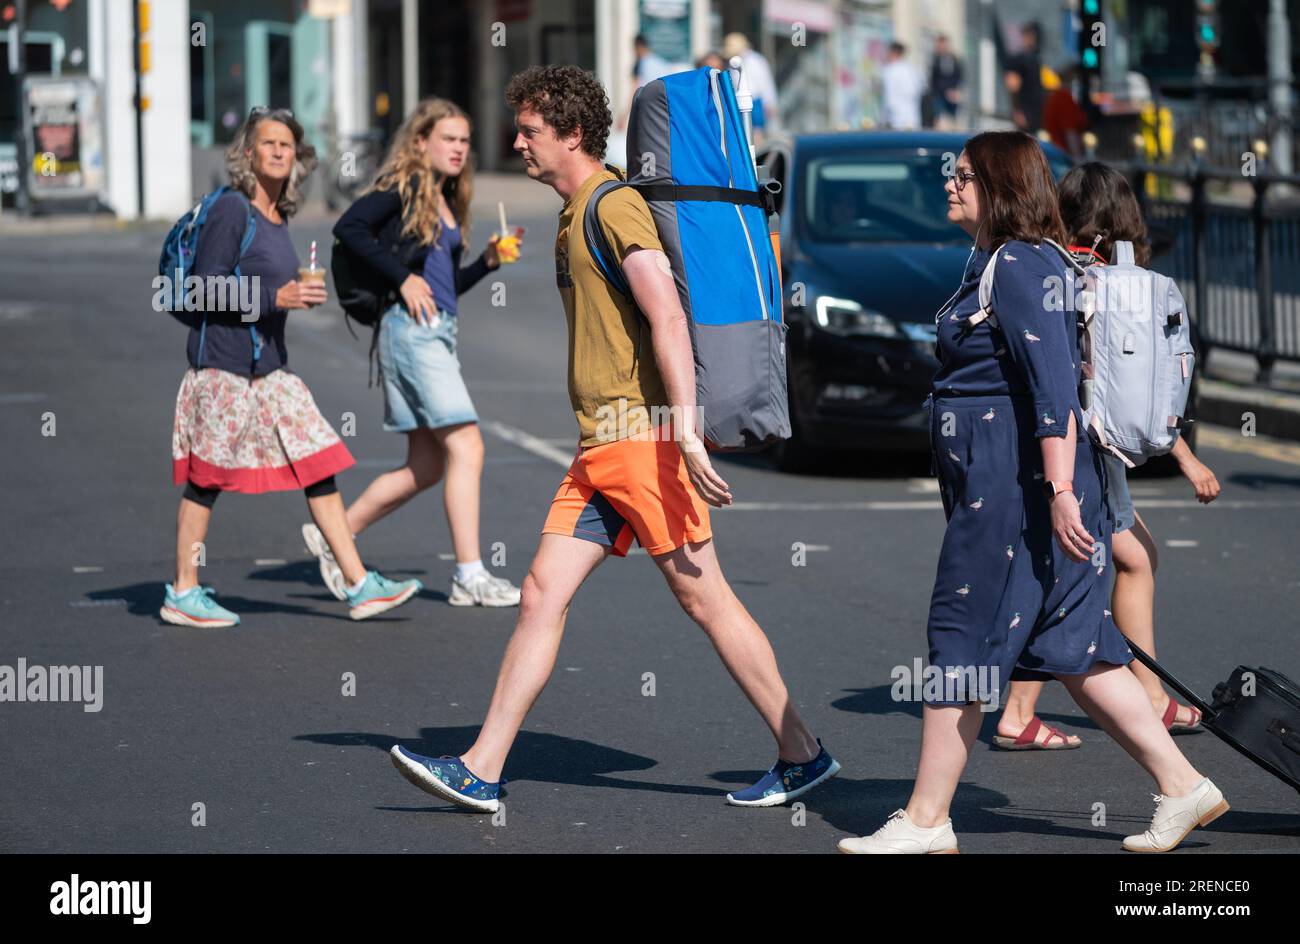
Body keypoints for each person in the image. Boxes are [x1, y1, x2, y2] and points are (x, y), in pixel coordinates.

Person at [389, 65, 838, 813]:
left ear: (572, 135)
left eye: (530, 131)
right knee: (539, 594)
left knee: (708, 601)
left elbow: (664, 314)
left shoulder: (613, 205)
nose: (517, 143)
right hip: (602, 445)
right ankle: (481, 766)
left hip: (643, 438)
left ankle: (803, 754)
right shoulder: (577, 211)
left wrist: (687, 432)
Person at [837, 132, 1225, 853]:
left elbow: (1052, 389)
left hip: (1017, 491)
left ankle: (926, 820)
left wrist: (1058, 493)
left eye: (963, 177)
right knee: (1073, 644)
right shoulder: (1006, 260)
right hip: (1021, 482)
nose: (949, 187)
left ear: (1001, 186)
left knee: (962, 637)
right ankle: (1183, 786)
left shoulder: (1018, 264)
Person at [161, 107, 422, 628]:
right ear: (248, 154)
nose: (280, 152)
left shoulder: (279, 217)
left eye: (289, 146)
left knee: (317, 463)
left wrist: (289, 297)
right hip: (224, 370)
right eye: (269, 143)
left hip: (271, 371)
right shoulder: (233, 211)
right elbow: (199, 288)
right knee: (206, 480)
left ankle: (358, 584)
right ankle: (183, 593)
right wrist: (274, 294)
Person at [993, 162, 1221, 750]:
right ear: (1126, 218)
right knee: (1116, 564)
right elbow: (1133, 391)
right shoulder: (1126, 285)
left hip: (1046, 445)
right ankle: (1143, 698)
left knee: (1064, 570)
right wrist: (1182, 455)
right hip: (1088, 456)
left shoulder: (1046, 268)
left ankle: (1024, 710)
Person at [326, 98, 523, 607]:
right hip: (410, 332)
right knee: (469, 447)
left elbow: (445, 285)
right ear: (420, 142)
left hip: (435, 330)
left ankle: (337, 535)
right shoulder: (404, 187)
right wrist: (403, 276)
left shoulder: (440, 195)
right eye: (448, 139)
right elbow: (348, 227)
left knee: (428, 465)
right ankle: (469, 575)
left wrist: (487, 262)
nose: (459, 149)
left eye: (464, 141)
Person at [723, 33, 779, 142]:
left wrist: (770, 103)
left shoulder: (755, 61)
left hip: (755, 101)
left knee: (756, 133)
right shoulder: (734, 62)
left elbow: (765, 83)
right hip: (739, 101)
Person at [1004, 22, 1045, 133]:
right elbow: (1012, 85)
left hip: (1036, 112)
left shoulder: (1036, 58)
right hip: (1025, 113)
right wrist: (1018, 111)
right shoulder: (1019, 60)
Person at [1042, 63, 1090, 157]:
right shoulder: (1064, 97)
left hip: (1058, 154)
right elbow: (1070, 132)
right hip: (1064, 156)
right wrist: (1077, 160)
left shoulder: (1055, 97)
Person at [880, 41, 926, 130]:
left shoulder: (890, 71)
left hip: (896, 118)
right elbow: (920, 91)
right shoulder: (912, 69)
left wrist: (883, 119)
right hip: (913, 115)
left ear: (892, 53)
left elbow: (889, 97)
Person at [928, 34, 963, 130]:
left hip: (952, 94)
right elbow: (933, 79)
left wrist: (955, 90)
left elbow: (959, 75)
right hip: (939, 93)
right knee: (937, 119)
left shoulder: (954, 59)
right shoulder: (935, 59)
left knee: (953, 119)